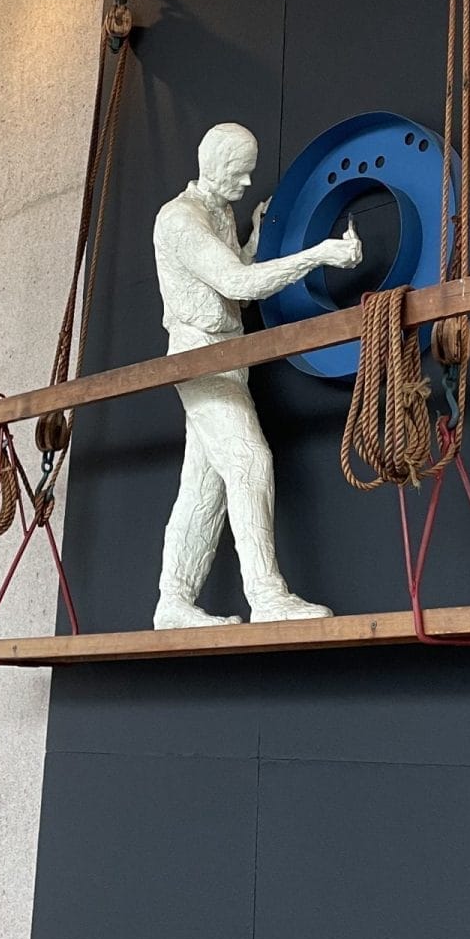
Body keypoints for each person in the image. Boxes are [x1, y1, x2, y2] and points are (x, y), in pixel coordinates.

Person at [150, 122, 361, 626]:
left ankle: (173, 601)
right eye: (240, 175)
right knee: (248, 463)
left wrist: (250, 239)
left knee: (204, 486)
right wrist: (321, 255)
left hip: (228, 356)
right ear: (214, 165)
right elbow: (237, 285)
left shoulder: (218, 213)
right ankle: (266, 596)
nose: (247, 186)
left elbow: (224, 277)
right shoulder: (179, 219)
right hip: (199, 356)